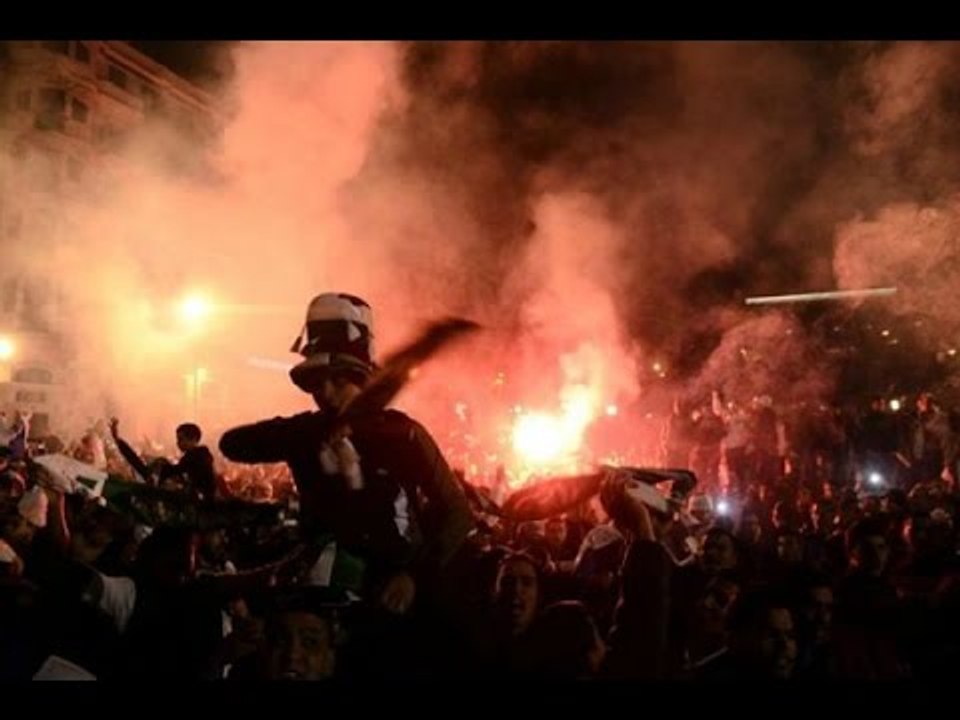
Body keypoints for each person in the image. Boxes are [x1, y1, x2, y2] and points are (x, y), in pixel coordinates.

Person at [220, 293, 475, 615]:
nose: (324, 392)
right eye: (317, 383)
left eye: (337, 381)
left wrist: (413, 575)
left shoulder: (403, 435)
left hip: (392, 595)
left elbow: (457, 512)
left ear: (361, 380)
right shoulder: (304, 434)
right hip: (319, 587)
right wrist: (307, 435)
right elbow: (232, 444)